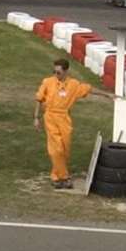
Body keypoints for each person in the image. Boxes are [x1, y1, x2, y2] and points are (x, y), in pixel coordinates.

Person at [33, 57, 98, 189]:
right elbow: (38, 99)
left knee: (64, 149)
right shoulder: (47, 82)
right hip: (50, 116)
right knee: (55, 149)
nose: (56, 75)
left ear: (66, 71)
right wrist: (36, 117)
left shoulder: (73, 85)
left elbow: (89, 89)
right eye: (54, 71)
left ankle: (55, 175)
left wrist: (108, 95)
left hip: (64, 118)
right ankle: (64, 177)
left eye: (58, 72)